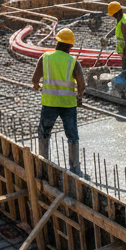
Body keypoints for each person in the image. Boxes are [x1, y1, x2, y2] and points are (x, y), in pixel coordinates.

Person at [32, 27, 85, 172]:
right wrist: (79, 98)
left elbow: (35, 79)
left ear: (57, 43)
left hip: (49, 103)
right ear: (70, 46)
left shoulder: (45, 58)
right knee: (72, 135)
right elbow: (82, 85)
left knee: (44, 133)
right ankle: (74, 167)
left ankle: (43, 163)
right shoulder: (73, 62)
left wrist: (36, 86)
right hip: (68, 105)